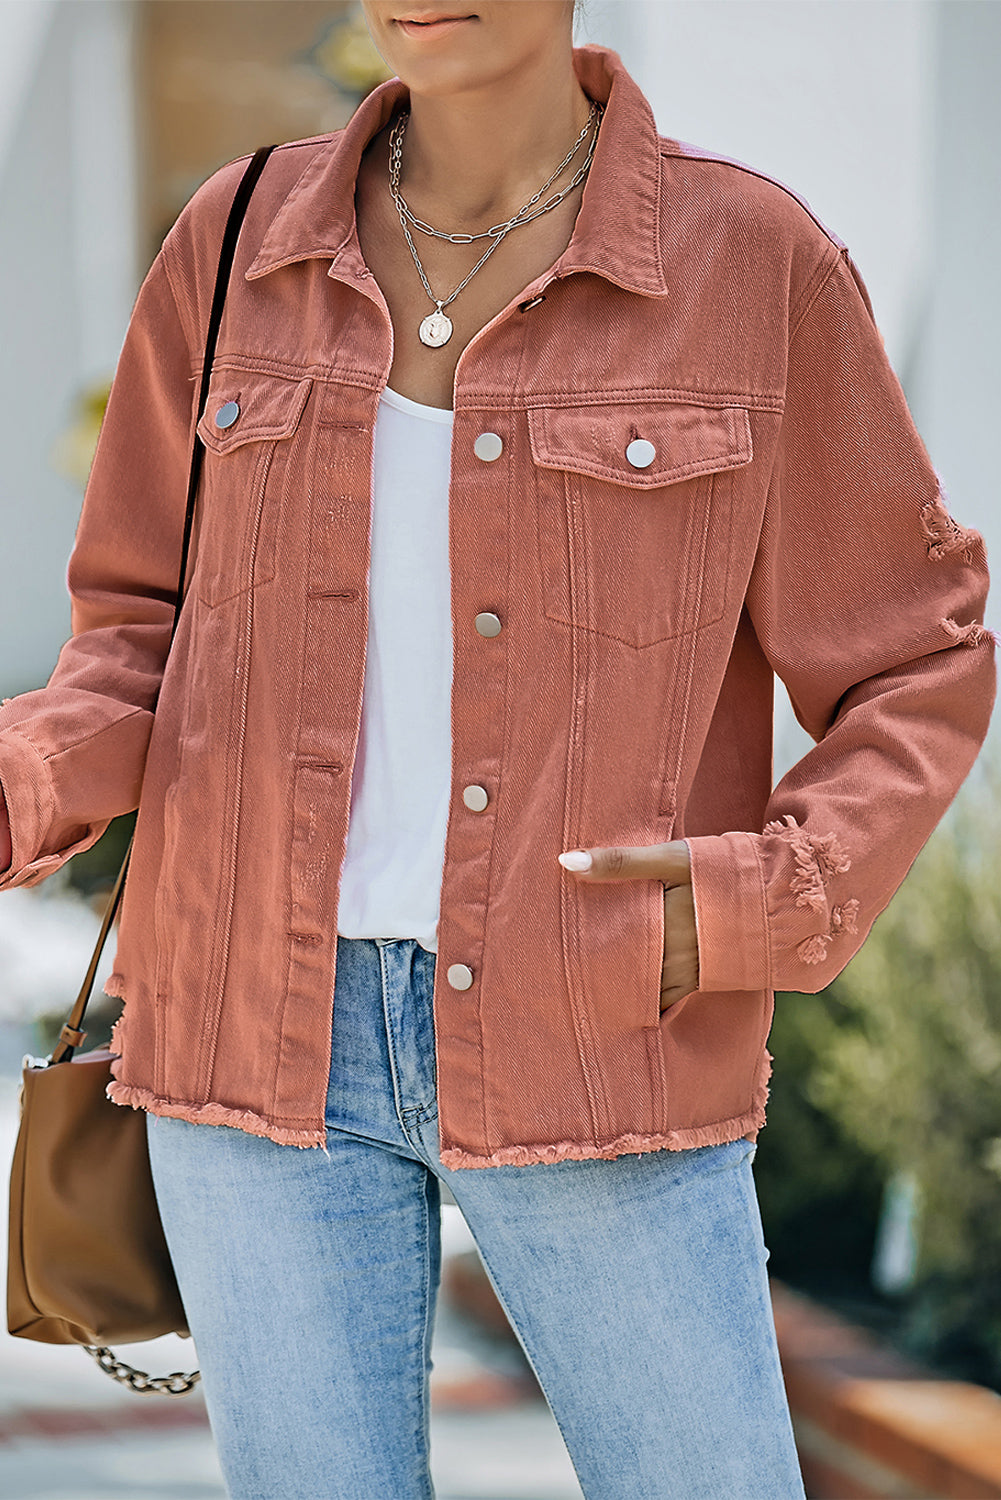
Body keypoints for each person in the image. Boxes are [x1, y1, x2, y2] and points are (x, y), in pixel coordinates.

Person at [0, 3, 993, 1496]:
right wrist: (25, 785)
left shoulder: (751, 263)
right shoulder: (233, 240)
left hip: (593, 1020)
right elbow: (139, 632)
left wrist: (749, 905)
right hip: (248, 1032)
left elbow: (914, 660)